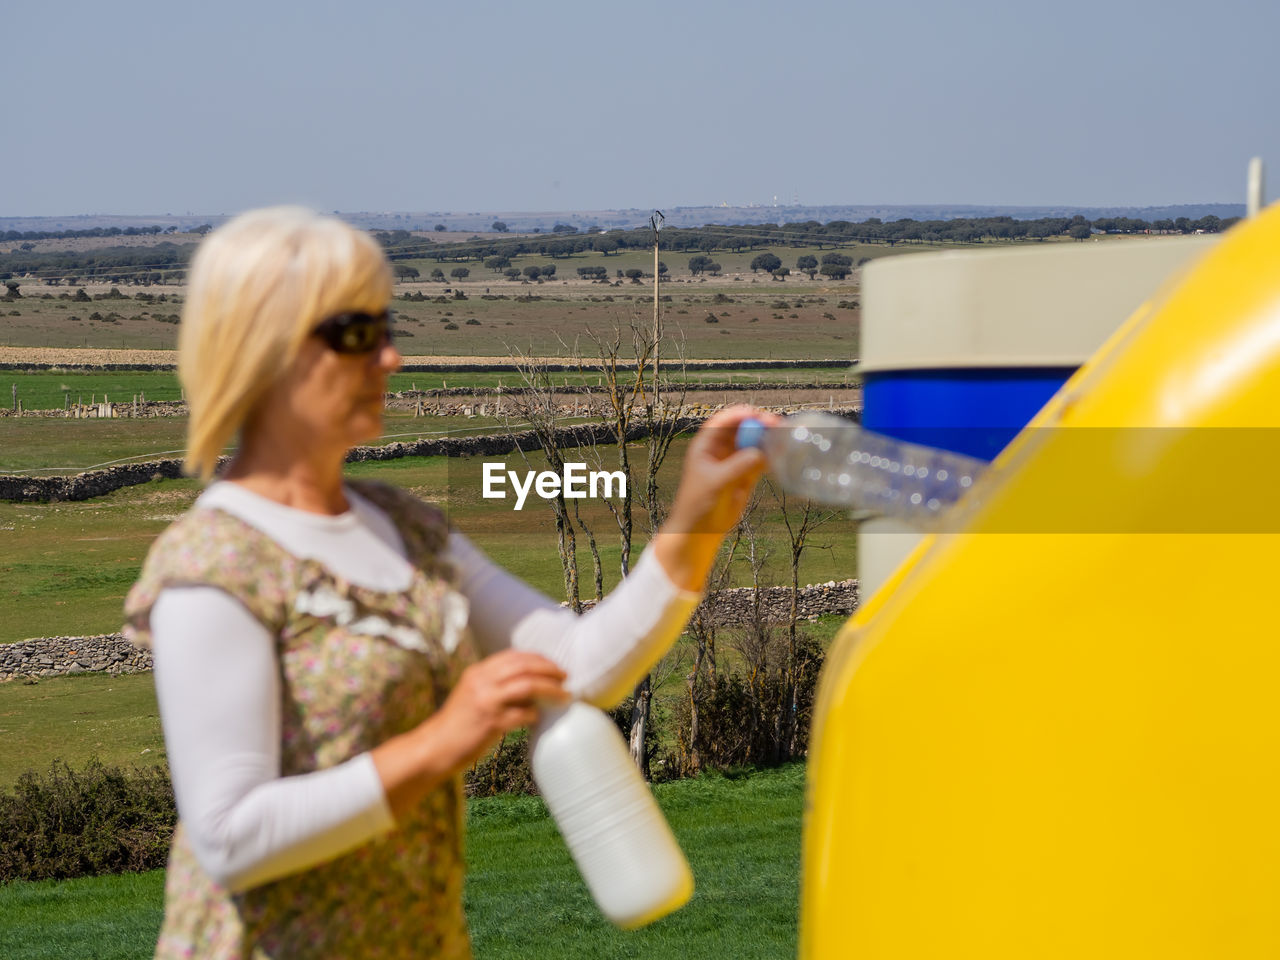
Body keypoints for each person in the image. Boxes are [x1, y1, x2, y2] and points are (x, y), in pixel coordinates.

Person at [123, 206, 772, 959]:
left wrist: (698, 517)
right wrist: (444, 740)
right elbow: (231, 835)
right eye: (359, 333)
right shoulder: (213, 563)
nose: (392, 357)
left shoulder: (408, 530)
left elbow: (583, 666)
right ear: (266, 351)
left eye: (387, 327)